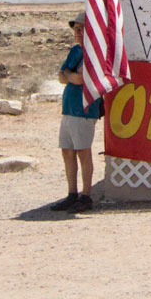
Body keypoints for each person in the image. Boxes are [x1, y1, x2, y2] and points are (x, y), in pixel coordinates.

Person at [50, 13, 103, 213]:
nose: (77, 32)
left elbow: (79, 79)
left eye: (81, 29)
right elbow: (62, 77)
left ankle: (86, 195)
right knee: (67, 151)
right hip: (69, 108)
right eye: (76, 29)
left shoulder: (94, 54)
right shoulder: (75, 51)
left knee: (83, 152)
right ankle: (72, 193)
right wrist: (69, 75)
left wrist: (68, 74)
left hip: (84, 109)